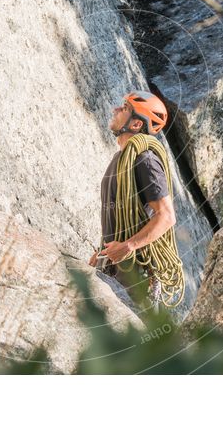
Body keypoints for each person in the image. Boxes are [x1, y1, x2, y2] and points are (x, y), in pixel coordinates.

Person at [88, 91, 183, 311]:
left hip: (138, 279)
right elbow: (119, 214)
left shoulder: (145, 160)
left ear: (136, 123)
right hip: (116, 270)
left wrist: (129, 246)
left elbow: (166, 217)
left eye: (124, 108)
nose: (116, 110)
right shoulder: (120, 158)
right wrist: (103, 251)